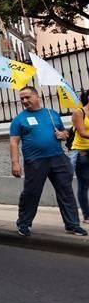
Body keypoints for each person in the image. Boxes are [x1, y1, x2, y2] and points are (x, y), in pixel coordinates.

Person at [9, 86, 88, 237]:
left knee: (66, 192)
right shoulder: (19, 119)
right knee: (31, 193)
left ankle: (72, 224)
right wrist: (15, 163)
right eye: (22, 99)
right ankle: (24, 224)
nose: (24, 101)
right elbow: (14, 142)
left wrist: (63, 135)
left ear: (37, 97)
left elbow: (65, 133)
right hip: (35, 161)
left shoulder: (51, 114)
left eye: (27, 97)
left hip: (58, 158)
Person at [70, 89, 89, 224]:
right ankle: (87, 215)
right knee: (84, 184)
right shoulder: (79, 112)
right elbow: (82, 132)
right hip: (83, 152)